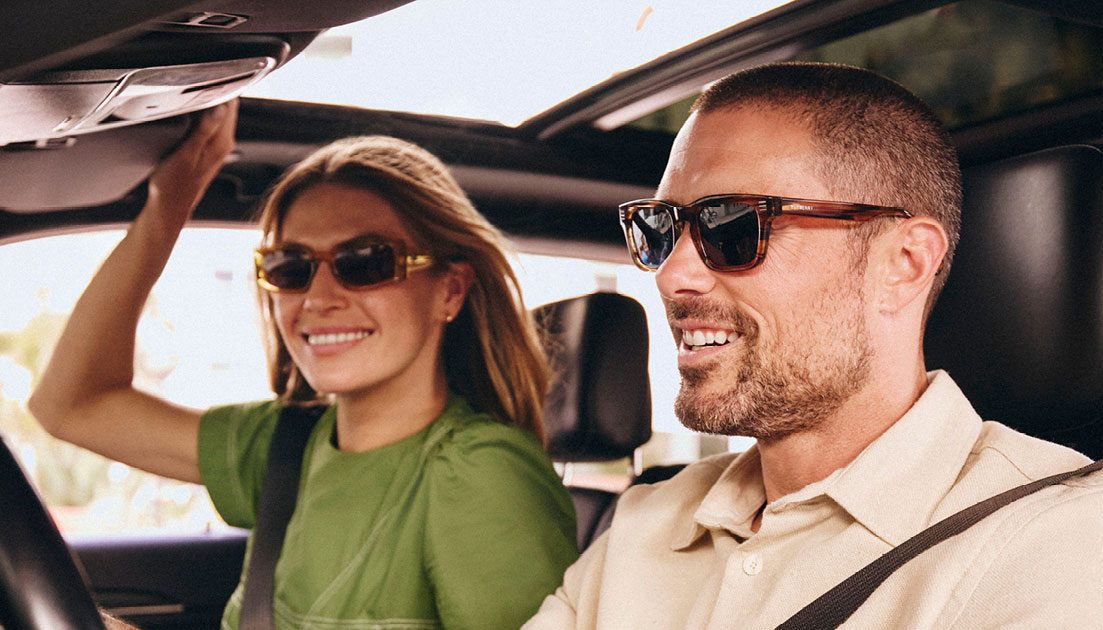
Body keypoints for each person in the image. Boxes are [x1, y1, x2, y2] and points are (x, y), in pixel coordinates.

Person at [524, 62, 1103, 629]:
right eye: (659, 229)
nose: (672, 275)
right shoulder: (641, 524)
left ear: (902, 265)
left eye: (732, 227)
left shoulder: (1057, 544)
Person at [29, 100, 578, 629]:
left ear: (450, 292)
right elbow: (70, 405)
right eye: (290, 267)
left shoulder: (482, 474)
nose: (318, 298)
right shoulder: (286, 444)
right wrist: (169, 204)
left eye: (363, 262)